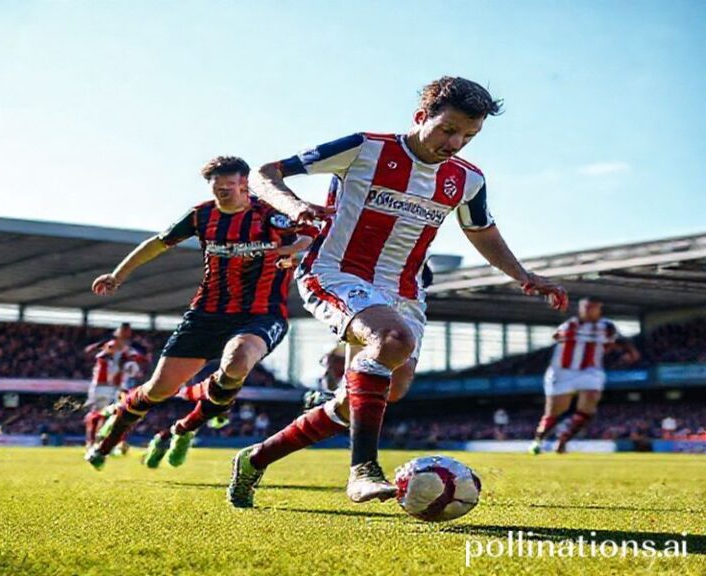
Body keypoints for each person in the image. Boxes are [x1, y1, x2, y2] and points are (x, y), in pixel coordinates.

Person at [229, 75, 568, 507]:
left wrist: (524, 275)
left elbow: (481, 231)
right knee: (392, 341)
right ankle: (362, 471)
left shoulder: (468, 179)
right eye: (449, 129)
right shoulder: (366, 148)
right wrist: (295, 206)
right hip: (335, 271)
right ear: (421, 116)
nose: (457, 142)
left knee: (375, 395)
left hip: (404, 291)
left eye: (469, 135)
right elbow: (264, 174)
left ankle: (255, 459)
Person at [84, 156, 315, 469]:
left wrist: (287, 250)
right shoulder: (201, 215)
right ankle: (105, 444)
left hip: (261, 313)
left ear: (245, 185)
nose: (222, 195)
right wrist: (118, 274)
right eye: (217, 189)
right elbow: (159, 242)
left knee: (236, 361)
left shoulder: (271, 214)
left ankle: (185, 428)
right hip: (206, 314)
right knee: (158, 390)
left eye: (228, 189)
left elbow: (310, 234)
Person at [530, 296, 640, 454]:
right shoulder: (569, 326)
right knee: (556, 411)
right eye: (586, 307)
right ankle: (538, 440)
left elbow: (618, 341)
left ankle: (563, 439)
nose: (589, 310)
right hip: (562, 371)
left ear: (599, 308)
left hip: (590, 370)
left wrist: (630, 352)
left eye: (592, 307)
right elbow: (558, 338)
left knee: (589, 405)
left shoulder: (607, 326)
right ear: (581, 309)